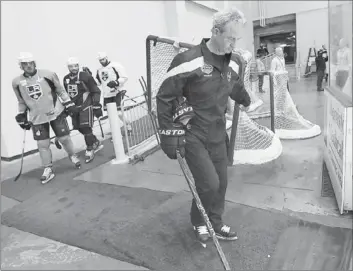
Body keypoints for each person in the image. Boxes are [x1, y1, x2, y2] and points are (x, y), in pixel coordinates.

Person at [156, 7, 251, 244]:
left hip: (218, 133)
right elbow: (164, 96)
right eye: (230, 38)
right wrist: (168, 134)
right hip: (193, 134)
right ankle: (199, 221)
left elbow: (235, 85)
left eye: (237, 39)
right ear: (216, 32)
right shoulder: (188, 61)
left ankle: (215, 223)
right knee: (209, 184)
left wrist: (247, 100)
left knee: (221, 184)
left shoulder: (234, 62)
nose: (233, 43)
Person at [12, 52, 80, 184]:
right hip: (36, 117)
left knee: (64, 138)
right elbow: (21, 101)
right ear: (21, 66)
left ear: (34, 63)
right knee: (42, 144)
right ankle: (47, 168)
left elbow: (60, 90)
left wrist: (69, 104)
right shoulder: (17, 82)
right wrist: (21, 114)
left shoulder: (48, 74)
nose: (28, 66)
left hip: (55, 112)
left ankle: (73, 155)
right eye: (24, 64)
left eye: (30, 63)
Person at [63, 57, 104, 163]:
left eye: (76, 65)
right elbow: (66, 94)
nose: (74, 68)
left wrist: (96, 104)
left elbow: (95, 90)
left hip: (86, 106)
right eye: (71, 66)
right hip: (74, 108)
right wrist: (67, 106)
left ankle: (90, 149)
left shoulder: (85, 76)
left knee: (86, 128)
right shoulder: (66, 79)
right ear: (68, 67)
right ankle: (95, 142)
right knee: (79, 128)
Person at [95, 52, 132, 135]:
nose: (102, 61)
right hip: (107, 94)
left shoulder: (116, 65)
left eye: (103, 59)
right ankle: (116, 134)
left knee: (119, 113)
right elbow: (98, 82)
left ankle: (128, 125)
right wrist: (89, 76)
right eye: (100, 60)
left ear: (107, 57)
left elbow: (125, 77)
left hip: (118, 91)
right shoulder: (99, 70)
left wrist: (116, 82)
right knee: (111, 115)